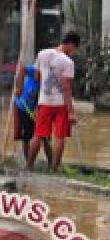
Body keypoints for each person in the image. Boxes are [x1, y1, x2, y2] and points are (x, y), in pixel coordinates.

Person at [26, 32, 80, 172]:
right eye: (74, 49)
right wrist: (71, 112)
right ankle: (53, 169)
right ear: (71, 45)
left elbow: (37, 76)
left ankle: (29, 166)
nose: (73, 52)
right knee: (59, 136)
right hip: (61, 104)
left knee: (38, 134)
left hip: (44, 101)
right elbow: (66, 88)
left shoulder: (42, 53)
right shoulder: (68, 62)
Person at [13, 61, 44, 164]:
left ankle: (43, 162)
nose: (37, 75)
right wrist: (18, 87)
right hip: (22, 106)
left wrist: (36, 110)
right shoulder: (33, 70)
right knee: (26, 136)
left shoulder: (48, 79)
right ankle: (28, 163)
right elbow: (21, 68)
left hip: (36, 110)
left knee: (40, 136)